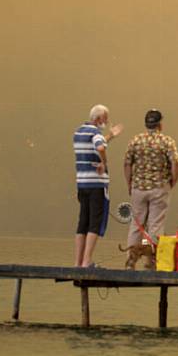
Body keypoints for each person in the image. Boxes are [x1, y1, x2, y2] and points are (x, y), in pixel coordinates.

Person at [123, 109, 178, 269]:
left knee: (136, 225)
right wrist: (172, 181)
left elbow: (127, 163)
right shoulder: (167, 141)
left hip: (138, 188)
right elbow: (176, 163)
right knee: (156, 225)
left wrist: (129, 183)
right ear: (160, 124)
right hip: (159, 188)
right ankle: (153, 262)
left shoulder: (136, 141)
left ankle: (130, 261)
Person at [73, 104, 123, 268]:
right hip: (96, 184)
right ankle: (87, 260)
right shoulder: (95, 133)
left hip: (82, 184)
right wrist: (104, 162)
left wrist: (111, 136)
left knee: (83, 222)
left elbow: (99, 143)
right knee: (95, 222)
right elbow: (100, 146)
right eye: (105, 119)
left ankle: (78, 262)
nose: (107, 121)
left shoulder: (78, 132)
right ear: (98, 118)